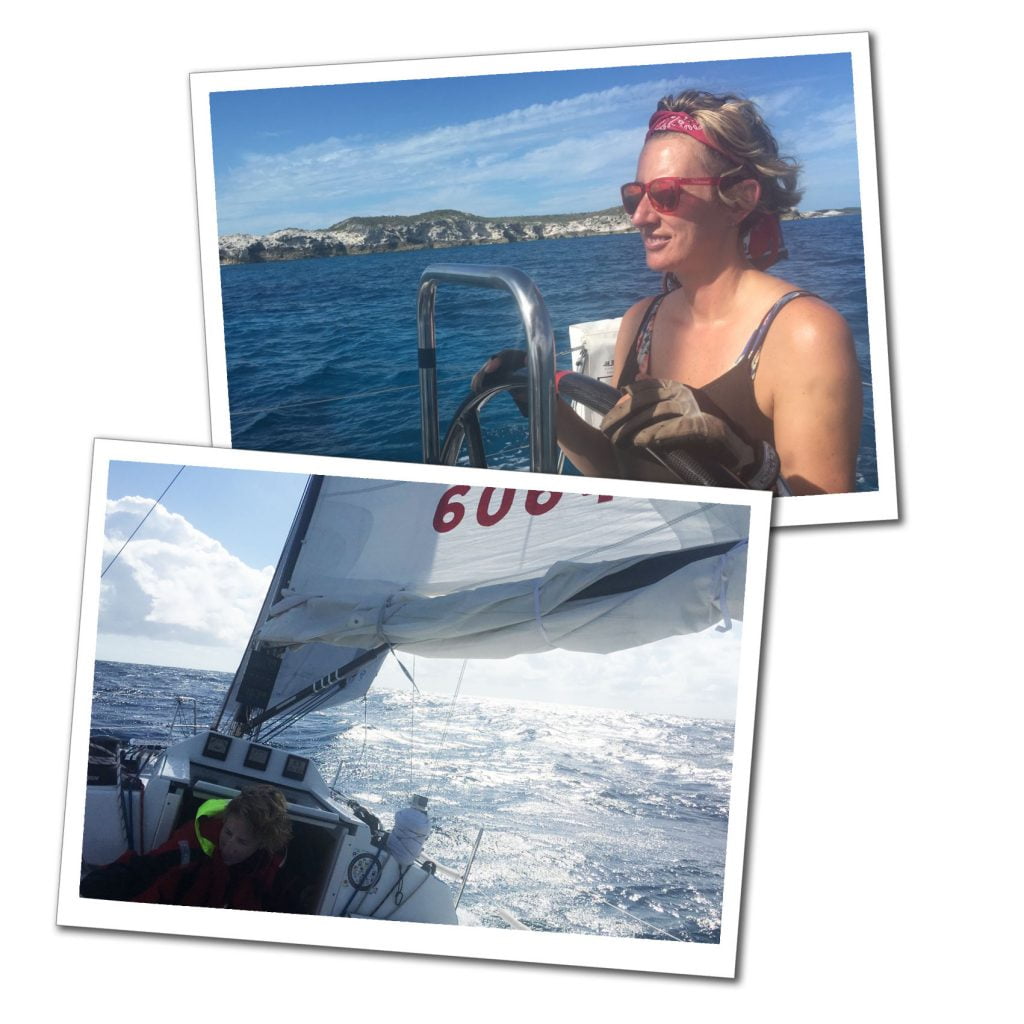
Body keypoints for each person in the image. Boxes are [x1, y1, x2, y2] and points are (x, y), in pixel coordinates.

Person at [475, 91, 862, 495]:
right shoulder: (640, 322)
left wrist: (744, 464)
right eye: (634, 195)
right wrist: (542, 403)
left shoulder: (804, 334)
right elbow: (619, 471)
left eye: (665, 194)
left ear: (740, 200)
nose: (640, 217)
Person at [80, 784, 293, 911]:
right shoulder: (192, 844)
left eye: (242, 842)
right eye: (228, 832)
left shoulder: (265, 867)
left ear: (261, 844)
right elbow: (146, 869)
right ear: (224, 821)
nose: (229, 845)